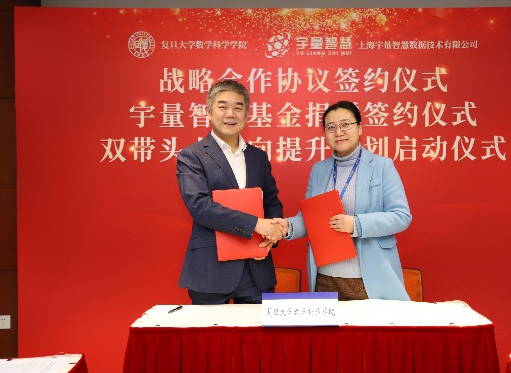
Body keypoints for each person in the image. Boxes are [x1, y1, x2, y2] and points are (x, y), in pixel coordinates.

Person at [273, 101, 412, 301]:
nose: (339, 132)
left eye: (346, 124)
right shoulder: (319, 169)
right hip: (325, 277)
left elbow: (401, 216)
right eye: (331, 127)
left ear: (360, 127)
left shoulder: (382, 166)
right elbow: (309, 218)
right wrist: (287, 226)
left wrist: (356, 224)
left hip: (369, 278)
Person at [176, 79, 283, 304]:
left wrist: (273, 233)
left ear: (247, 114)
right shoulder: (192, 155)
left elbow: (272, 201)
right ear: (209, 112)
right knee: (210, 329)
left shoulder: (258, 157)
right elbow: (199, 206)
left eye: (238, 107)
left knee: (258, 329)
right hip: (211, 269)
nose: (230, 114)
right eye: (223, 107)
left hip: (256, 270)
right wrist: (255, 224)